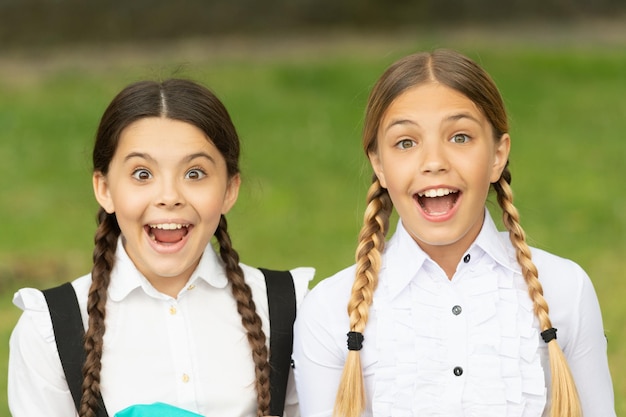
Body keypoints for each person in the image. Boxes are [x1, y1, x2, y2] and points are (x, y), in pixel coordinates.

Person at [292, 49, 615, 417]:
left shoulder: (566, 289)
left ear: (497, 155)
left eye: (460, 137)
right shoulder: (330, 311)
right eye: (406, 142)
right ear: (379, 165)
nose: (434, 162)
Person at [8, 78, 314, 417]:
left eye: (195, 173)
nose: (169, 197)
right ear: (104, 188)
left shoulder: (292, 309)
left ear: (229, 189)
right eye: (142, 174)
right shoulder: (48, 330)